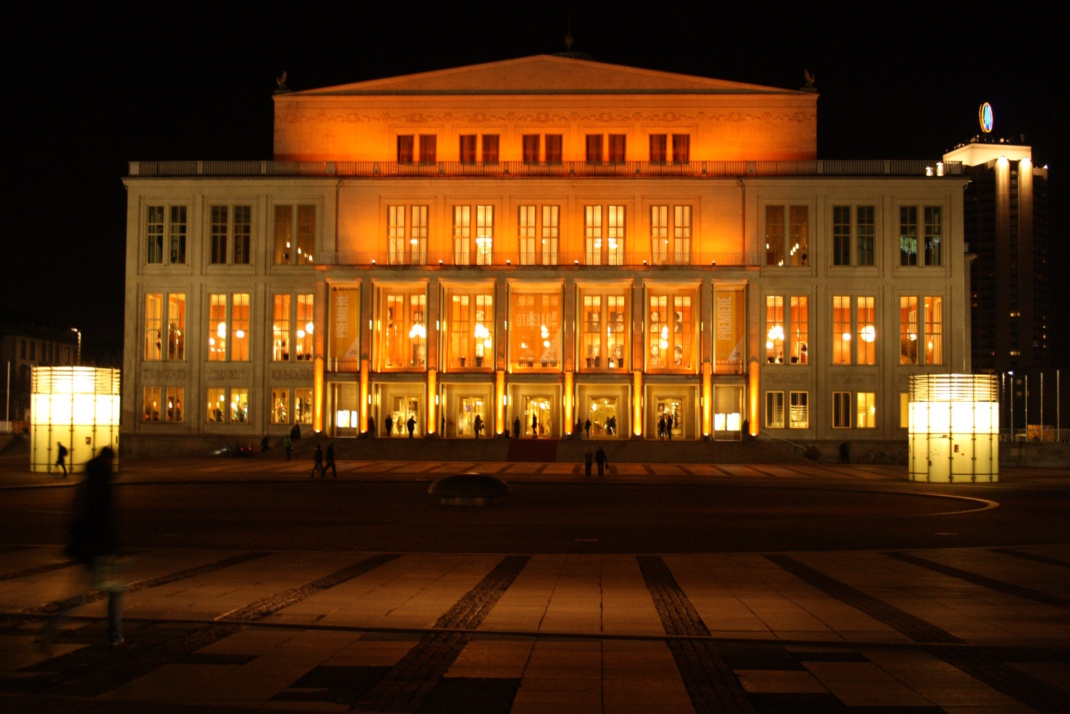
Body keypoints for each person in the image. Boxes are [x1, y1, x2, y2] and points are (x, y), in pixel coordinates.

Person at [44, 447, 123, 647]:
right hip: (99, 548)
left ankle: (51, 627)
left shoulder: (88, 482)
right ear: (108, 461)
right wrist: (113, 548)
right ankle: (114, 635)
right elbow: (106, 520)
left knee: (81, 592)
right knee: (113, 590)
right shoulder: (103, 485)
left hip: (88, 547)